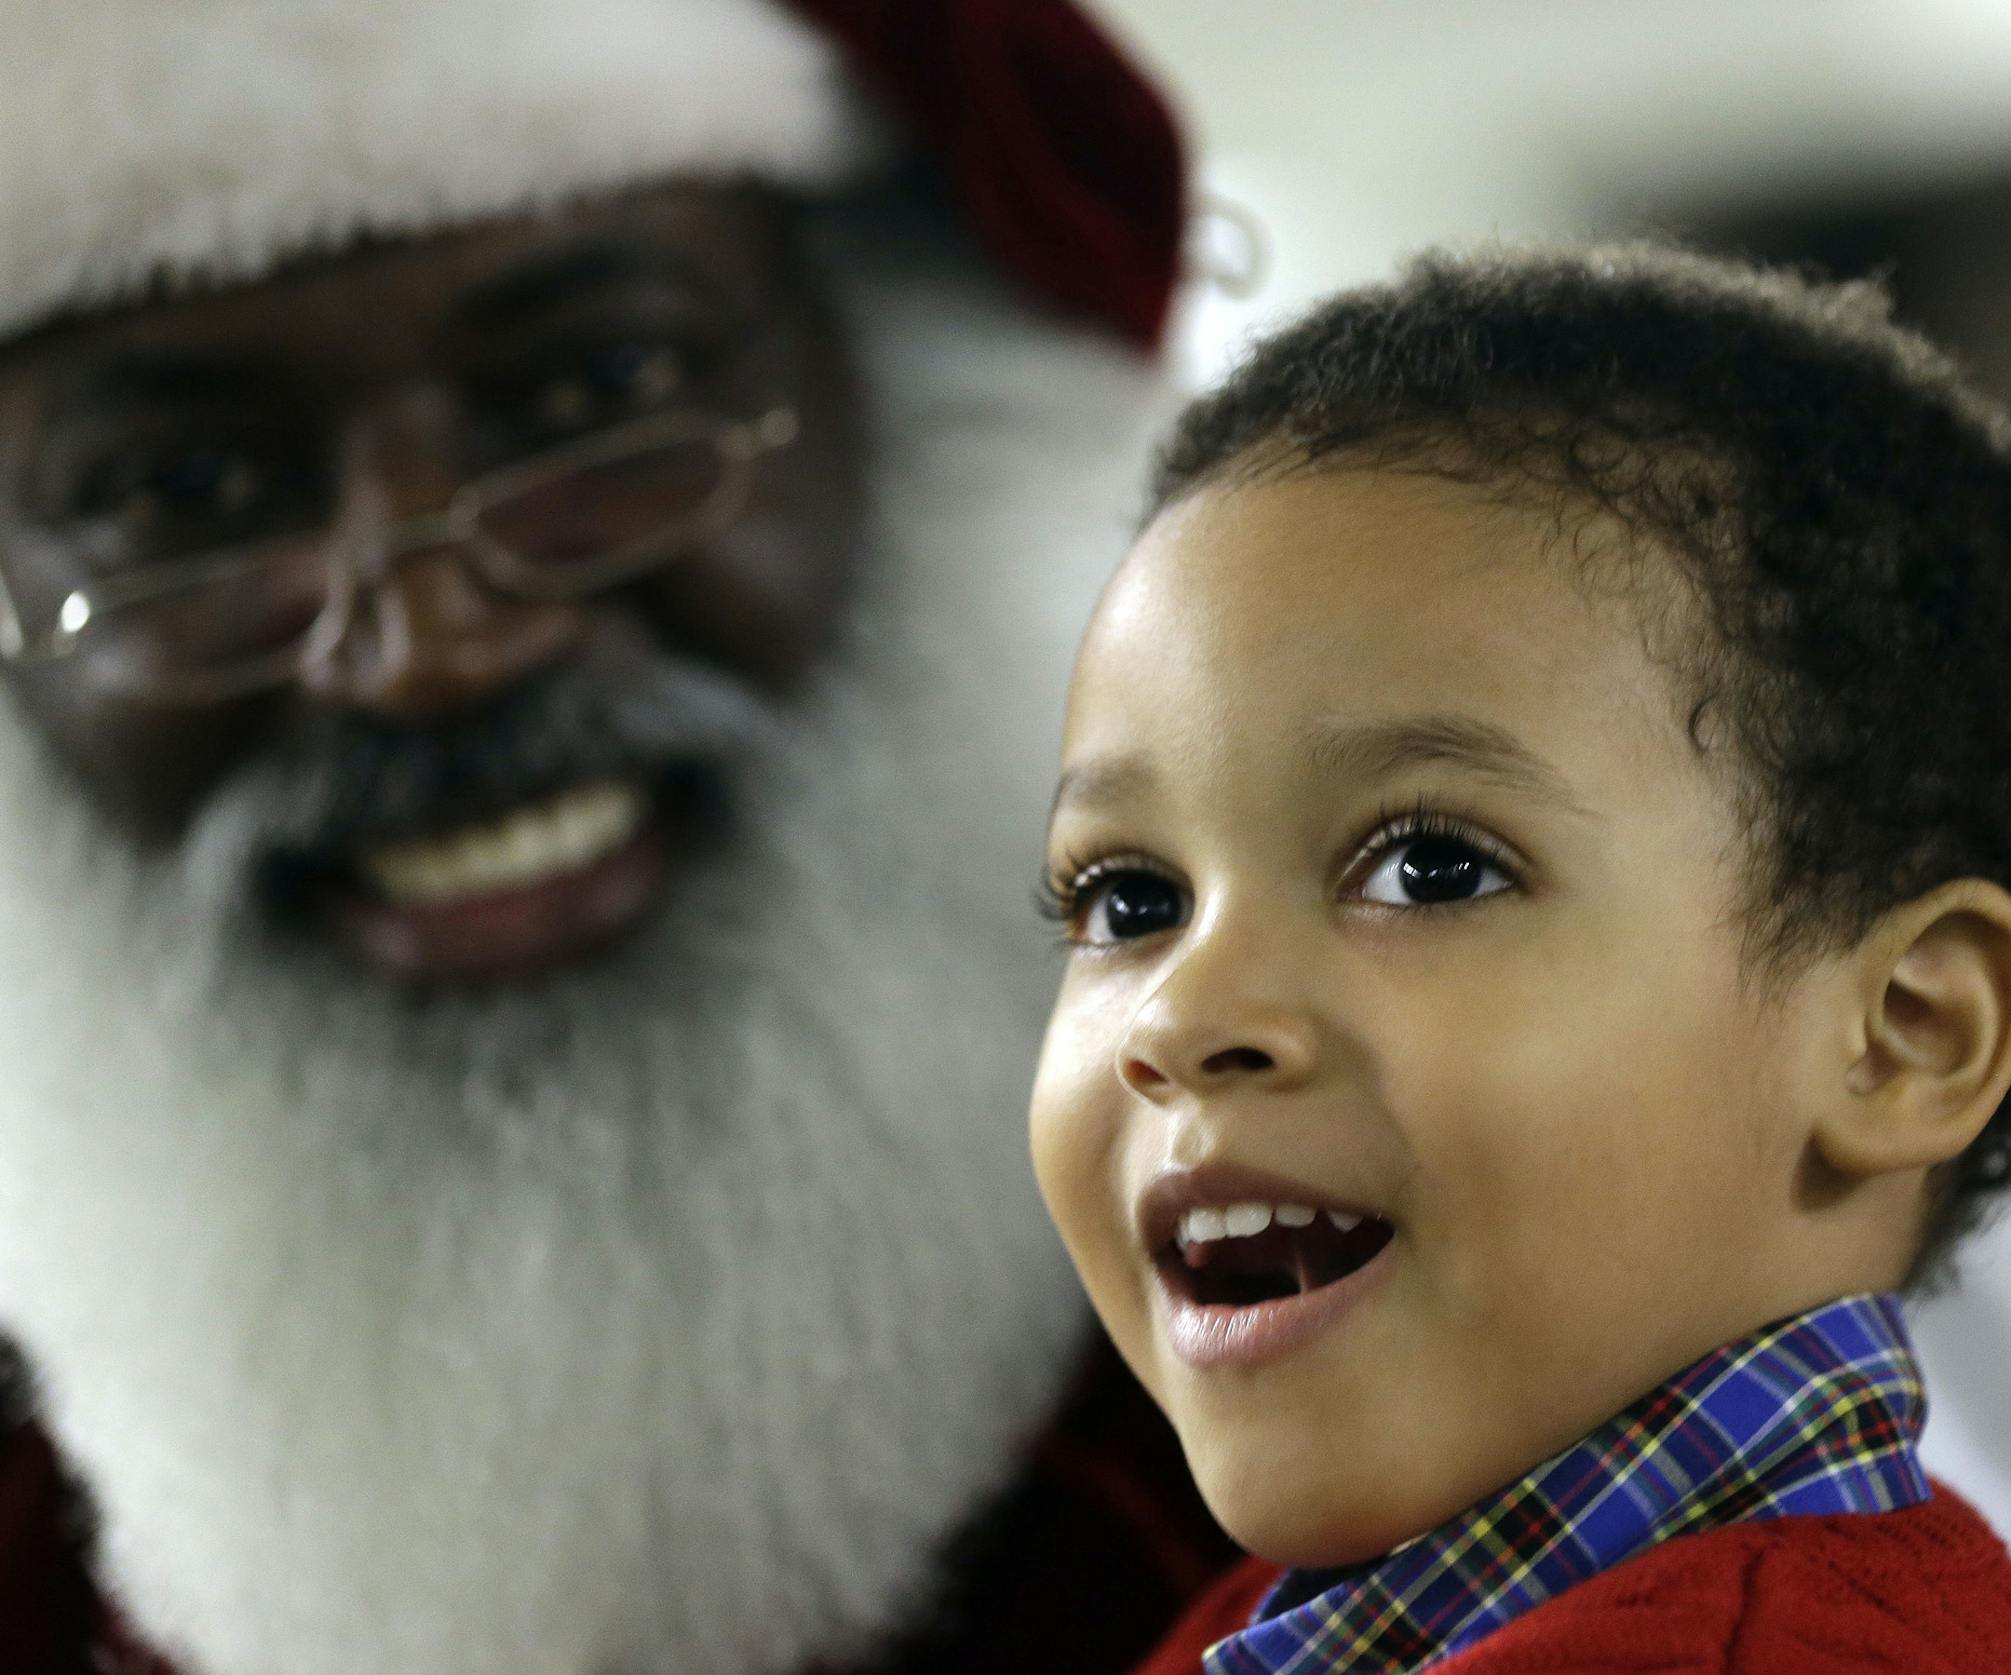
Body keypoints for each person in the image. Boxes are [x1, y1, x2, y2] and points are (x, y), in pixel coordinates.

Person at [0, 3, 1234, 1673]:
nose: (434, 642)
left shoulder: (1476, 1353)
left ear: (923, 405)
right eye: (178, 492)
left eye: (599, 392)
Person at [1029, 244, 2011, 1671]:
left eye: (1429, 868)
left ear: (1903, 1032)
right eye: (1127, 900)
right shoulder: (1287, 1626)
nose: (1183, 1013)